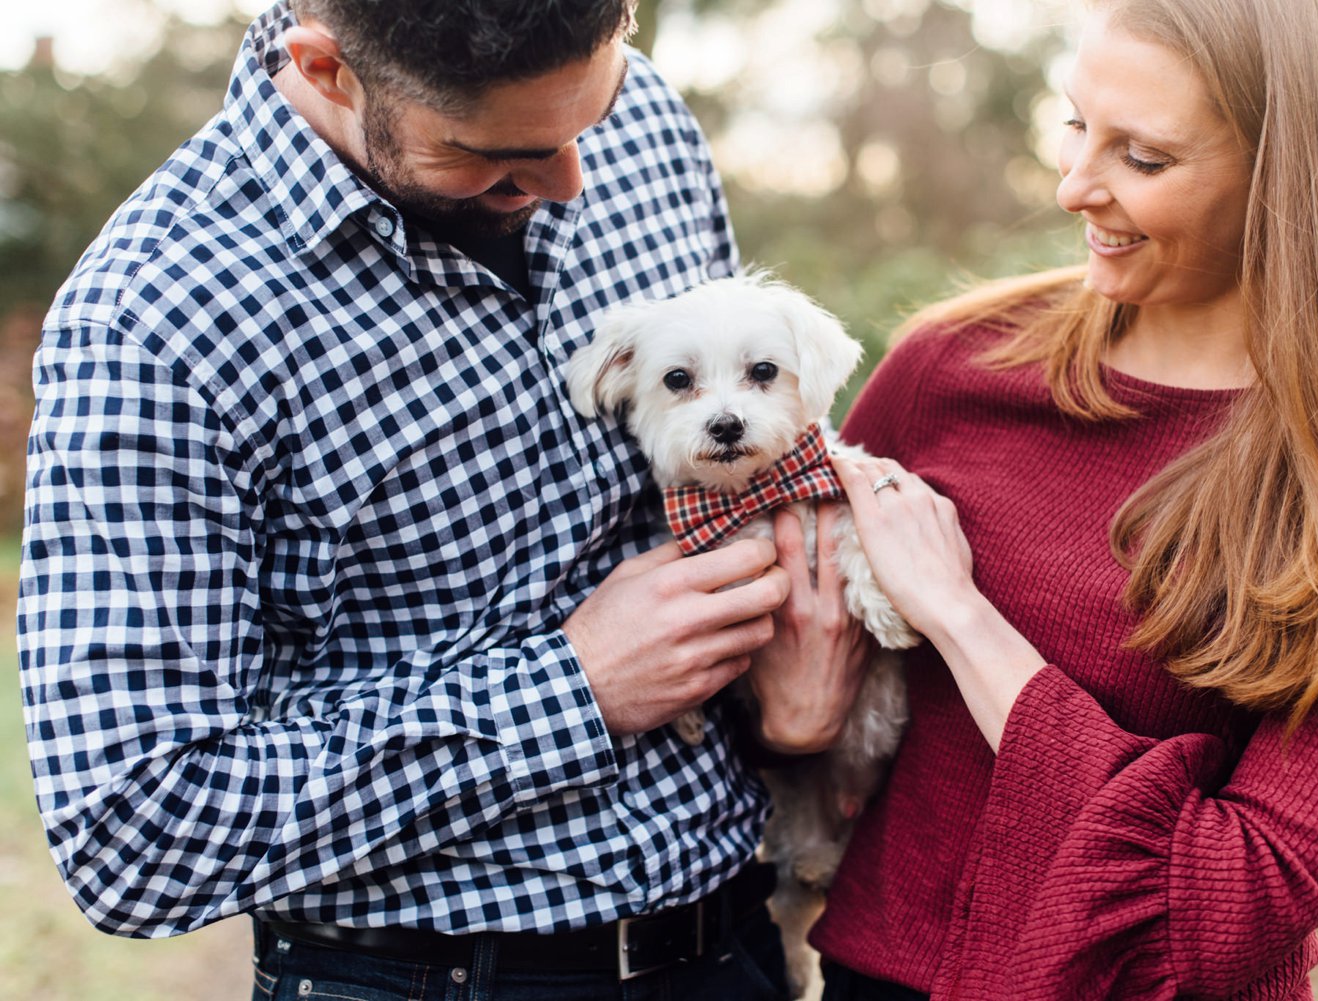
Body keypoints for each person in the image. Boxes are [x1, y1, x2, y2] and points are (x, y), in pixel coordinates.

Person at [17, 2, 856, 997]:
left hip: (733, 944)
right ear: (328, 69)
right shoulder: (158, 318)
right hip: (435, 976)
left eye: (592, 114)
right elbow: (135, 832)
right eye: (495, 153)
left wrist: (789, 711)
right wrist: (572, 690)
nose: (573, 180)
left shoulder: (638, 118)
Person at [803, 0, 1318, 997]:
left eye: (1145, 158)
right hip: (877, 972)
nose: (1072, 185)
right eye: (1078, 124)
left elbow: (1232, 897)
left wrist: (965, 621)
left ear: (1294, 179)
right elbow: (790, 650)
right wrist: (793, 710)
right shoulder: (954, 363)